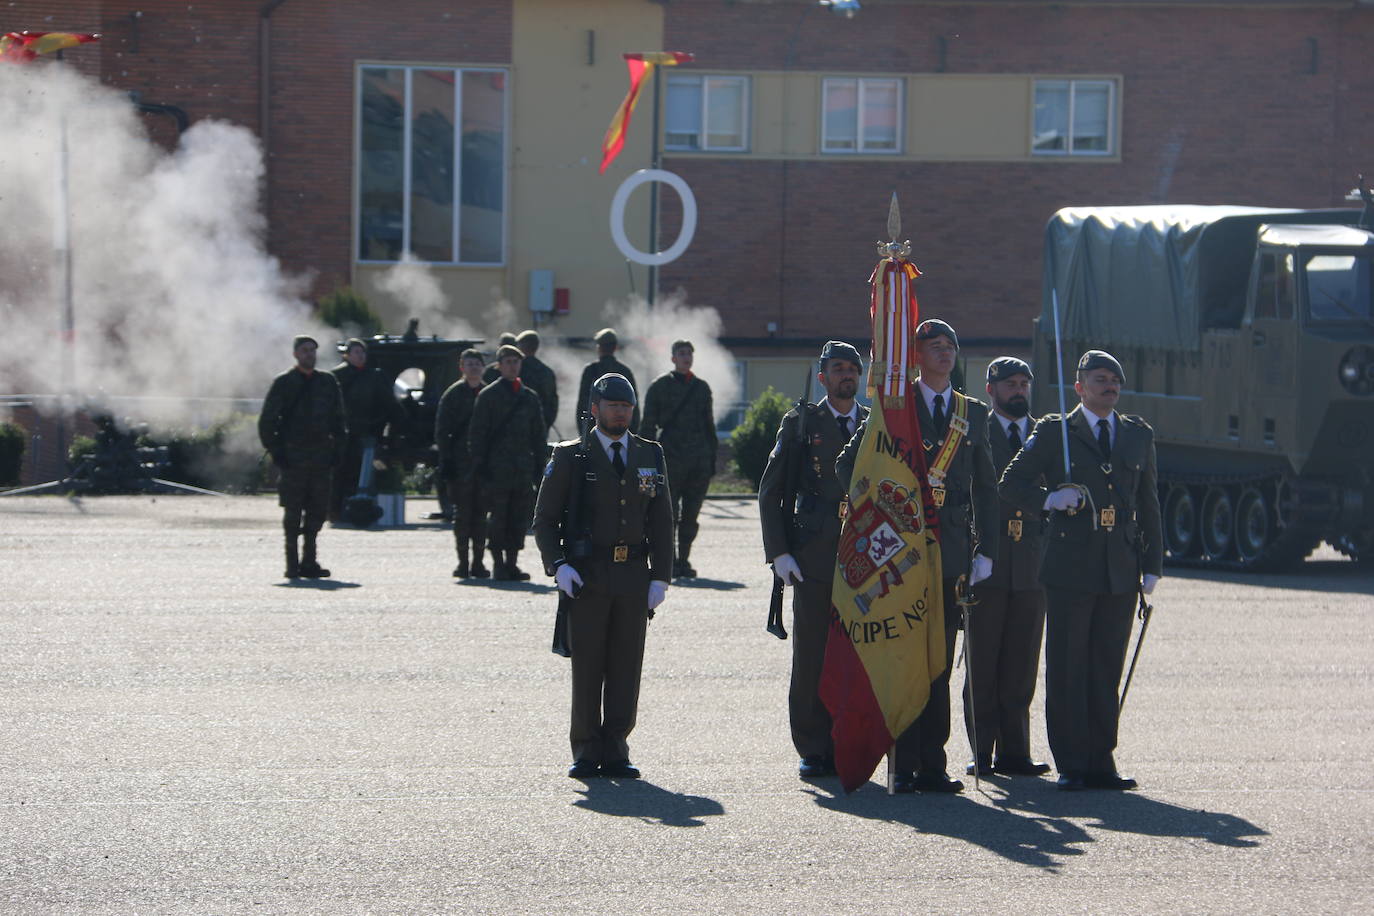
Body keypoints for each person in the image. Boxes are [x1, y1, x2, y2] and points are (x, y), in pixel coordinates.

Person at [836, 318, 998, 794]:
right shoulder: (895, 408)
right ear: (916, 356)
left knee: (940, 659)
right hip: (901, 550)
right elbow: (850, 465)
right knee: (905, 652)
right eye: (934, 345)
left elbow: (987, 487)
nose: (944, 352)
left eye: (950, 345)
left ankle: (933, 762)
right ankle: (904, 761)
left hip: (949, 553)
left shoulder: (972, 414)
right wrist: (878, 512)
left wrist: (985, 550)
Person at [999, 349, 1163, 791]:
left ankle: (1100, 759)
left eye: (1114, 379)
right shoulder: (1058, 432)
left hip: (1119, 565)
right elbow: (1011, 483)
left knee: (1106, 665)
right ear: (1080, 387)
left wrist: (1153, 564)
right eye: (1099, 379)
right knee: (1069, 664)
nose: (1108, 385)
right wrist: (1048, 501)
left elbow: (1149, 502)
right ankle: (1072, 760)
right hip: (1070, 563)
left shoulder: (1136, 434)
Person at [534, 373, 673, 780]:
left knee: (626, 666)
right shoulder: (571, 455)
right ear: (595, 409)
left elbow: (663, 520)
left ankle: (616, 748)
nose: (621, 413)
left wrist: (660, 577)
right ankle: (585, 749)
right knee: (589, 666)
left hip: (633, 574)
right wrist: (558, 565)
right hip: (587, 575)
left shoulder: (650, 454)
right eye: (613, 406)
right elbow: (544, 520)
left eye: (626, 406)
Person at [758, 340, 868, 779]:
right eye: (838, 369)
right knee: (814, 655)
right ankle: (813, 746)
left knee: (859, 652)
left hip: (865, 552)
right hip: (815, 551)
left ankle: (851, 742)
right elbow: (772, 491)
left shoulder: (873, 423)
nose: (847, 376)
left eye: (853, 369)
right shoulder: (803, 422)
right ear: (822, 377)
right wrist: (780, 552)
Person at [963, 357, 1051, 778]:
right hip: (989, 559)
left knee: (1021, 663)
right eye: (1010, 384)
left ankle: (1015, 753)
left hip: (1033, 562)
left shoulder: (1046, 435)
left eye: (1023, 383)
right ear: (991, 389)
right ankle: (981, 752)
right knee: (983, 662)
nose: (1018, 390)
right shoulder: (975, 431)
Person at [258, 335, 347, 579]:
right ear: (296, 354)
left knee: (317, 512)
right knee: (293, 512)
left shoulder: (327, 382)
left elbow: (339, 420)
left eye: (313, 350)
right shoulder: (284, 383)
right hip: (293, 458)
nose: (310, 354)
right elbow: (267, 421)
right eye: (305, 350)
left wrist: (338, 450)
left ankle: (310, 561)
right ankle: (292, 563)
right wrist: (277, 451)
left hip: (320, 458)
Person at [468, 344, 547, 581]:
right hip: (497, 468)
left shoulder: (529, 397)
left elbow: (538, 435)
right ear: (499, 366)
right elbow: (477, 434)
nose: (513, 366)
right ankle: (499, 564)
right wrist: (480, 466)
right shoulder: (488, 396)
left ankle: (512, 563)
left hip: (522, 468)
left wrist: (539, 468)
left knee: (519, 517)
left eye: (516, 362)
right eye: (508, 362)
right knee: (498, 517)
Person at [640, 339, 716, 578]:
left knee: (691, 515)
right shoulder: (660, 386)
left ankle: (684, 559)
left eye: (690, 354)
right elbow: (648, 426)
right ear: (673, 358)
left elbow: (709, 427)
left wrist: (712, 460)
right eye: (682, 353)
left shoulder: (702, 388)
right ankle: (668, 561)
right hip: (668, 460)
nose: (686, 357)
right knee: (666, 514)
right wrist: (646, 463)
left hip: (698, 461)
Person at [329, 338, 404, 521]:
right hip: (342, 434)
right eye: (356, 352)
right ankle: (335, 511)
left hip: (368, 433)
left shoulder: (375, 376)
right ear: (347, 355)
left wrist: (390, 431)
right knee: (338, 473)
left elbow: (389, 405)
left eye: (362, 352)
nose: (360, 356)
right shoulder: (336, 377)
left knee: (361, 474)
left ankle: (361, 509)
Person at [435, 348, 490, 579]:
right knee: (462, 515)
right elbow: (442, 430)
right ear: (462, 368)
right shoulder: (453, 394)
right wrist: (446, 459)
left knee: (481, 515)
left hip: (484, 464)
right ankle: (463, 562)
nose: (474, 368)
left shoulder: (490, 394)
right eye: (469, 364)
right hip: (460, 464)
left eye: (477, 364)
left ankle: (478, 562)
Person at [576, 328, 639, 433]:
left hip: (594, 432)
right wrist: (632, 434)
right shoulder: (624, 371)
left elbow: (583, 404)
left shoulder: (591, 370)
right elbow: (634, 406)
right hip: (622, 431)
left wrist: (584, 433)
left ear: (599, 347)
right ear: (615, 348)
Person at [515, 329, 560, 437]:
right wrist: (546, 424)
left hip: (516, 430)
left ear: (521, 346)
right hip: (540, 428)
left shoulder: (515, 370)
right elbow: (553, 403)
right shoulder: (547, 372)